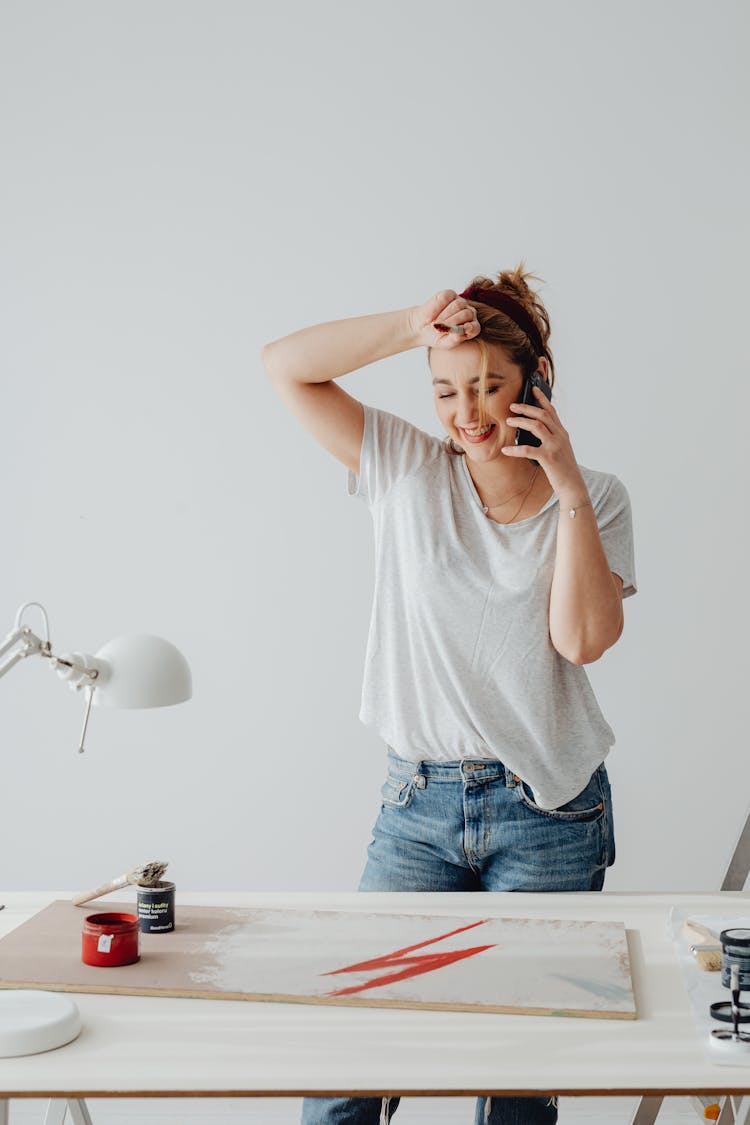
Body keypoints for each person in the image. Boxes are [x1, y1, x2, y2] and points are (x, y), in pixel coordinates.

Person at [260, 264, 637, 1125]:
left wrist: (569, 485)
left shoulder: (597, 498)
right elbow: (285, 364)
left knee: (516, 1083)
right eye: (446, 391)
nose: (466, 413)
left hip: (548, 813)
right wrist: (412, 323)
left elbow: (584, 639)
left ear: (535, 383)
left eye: (489, 388)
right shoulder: (403, 466)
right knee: (347, 1072)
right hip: (417, 803)